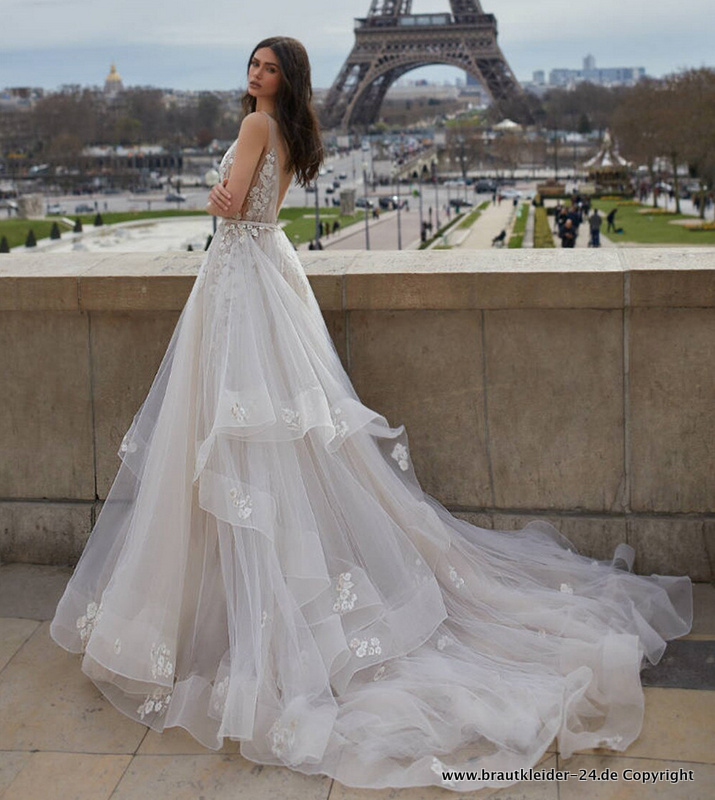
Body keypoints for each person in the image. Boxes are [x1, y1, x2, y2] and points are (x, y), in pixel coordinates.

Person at [49, 35, 692, 794]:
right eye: (253, 64)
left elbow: (225, 205)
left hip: (235, 285)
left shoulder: (255, 126)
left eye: (268, 68)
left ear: (285, 81)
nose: (255, 75)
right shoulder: (288, 130)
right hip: (261, 280)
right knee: (274, 448)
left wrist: (218, 193)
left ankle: (228, 612)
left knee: (225, 443)